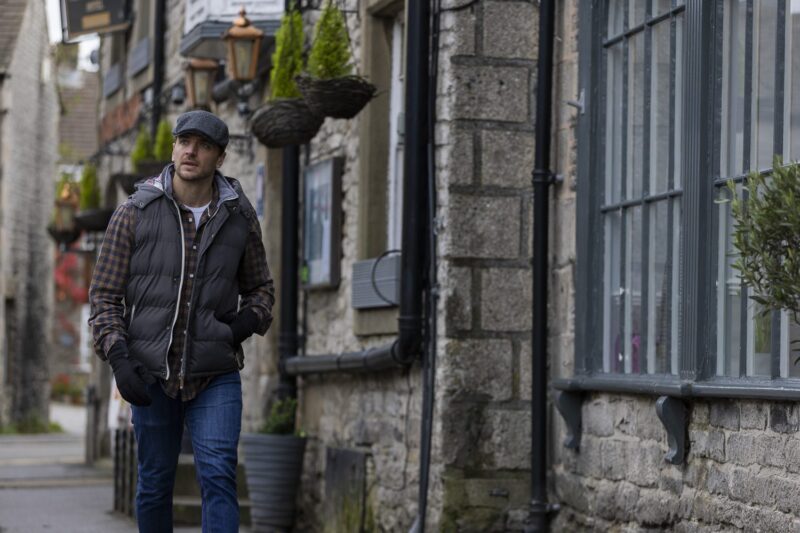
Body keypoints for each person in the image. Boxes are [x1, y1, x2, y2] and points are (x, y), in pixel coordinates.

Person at [89, 110, 274, 533]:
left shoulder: (238, 217)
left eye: (204, 145)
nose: (191, 151)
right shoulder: (134, 212)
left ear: (220, 157)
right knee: (154, 484)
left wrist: (238, 328)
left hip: (216, 374)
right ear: (173, 147)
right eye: (184, 141)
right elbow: (103, 297)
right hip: (150, 373)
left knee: (218, 477)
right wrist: (118, 358)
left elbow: (262, 289)